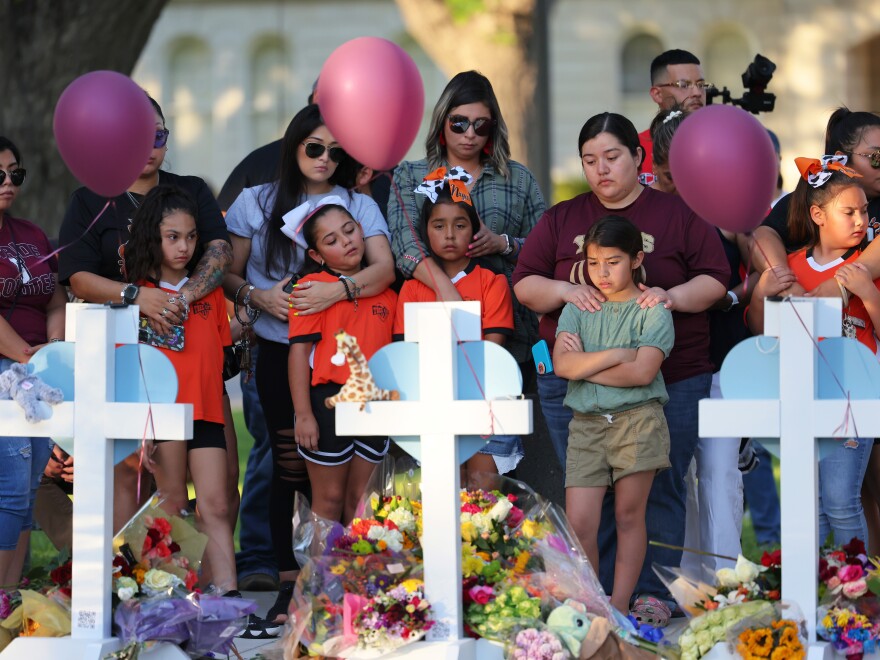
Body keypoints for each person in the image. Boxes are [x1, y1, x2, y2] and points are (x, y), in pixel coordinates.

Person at [512, 112, 728, 625]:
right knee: (589, 491)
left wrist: (669, 297)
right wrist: (567, 289)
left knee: (659, 485)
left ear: (638, 156)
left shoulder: (678, 214)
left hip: (670, 377)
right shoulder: (563, 219)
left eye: (612, 157)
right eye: (590, 160)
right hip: (573, 384)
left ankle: (651, 594)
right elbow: (524, 283)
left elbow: (718, 278)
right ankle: (601, 595)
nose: (601, 169)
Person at [223, 104, 395, 625]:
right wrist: (258, 297)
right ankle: (290, 585)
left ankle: (348, 582)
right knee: (287, 463)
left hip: (349, 357)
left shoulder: (357, 204)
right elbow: (228, 275)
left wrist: (335, 291)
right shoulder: (257, 200)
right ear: (293, 146)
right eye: (313, 147)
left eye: (335, 150)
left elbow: (384, 269)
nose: (324, 159)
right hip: (282, 348)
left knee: (351, 476)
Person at [57, 94, 234, 533]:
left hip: (195, 356)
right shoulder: (90, 200)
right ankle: (128, 586)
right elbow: (77, 276)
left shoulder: (189, 189)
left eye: (158, 134)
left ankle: (212, 594)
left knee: (222, 484)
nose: (149, 145)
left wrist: (183, 297)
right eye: (136, 136)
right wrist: (137, 295)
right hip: (129, 362)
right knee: (133, 480)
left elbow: (219, 249)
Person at [748, 156, 875, 545]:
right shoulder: (789, 266)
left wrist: (867, 293)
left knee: (841, 500)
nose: (861, 222)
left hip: (853, 399)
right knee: (810, 506)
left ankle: (858, 596)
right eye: (849, 212)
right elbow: (761, 332)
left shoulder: (866, 266)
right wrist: (759, 295)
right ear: (817, 215)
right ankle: (817, 596)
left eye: (865, 212)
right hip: (801, 398)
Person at [553, 215, 674, 614]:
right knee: (581, 523)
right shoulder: (579, 306)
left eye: (613, 262)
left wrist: (586, 364)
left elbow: (643, 372)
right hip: (586, 426)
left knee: (627, 515)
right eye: (593, 263)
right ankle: (591, 603)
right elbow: (562, 367)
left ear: (637, 258)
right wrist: (615, 355)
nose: (601, 273)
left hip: (637, 421)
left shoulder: (651, 309)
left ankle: (619, 605)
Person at [388, 70, 544, 375]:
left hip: (509, 331)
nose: (469, 133)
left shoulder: (518, 178)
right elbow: (404, 243)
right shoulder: (410, 175)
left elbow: (546, 251)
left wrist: (503, 244)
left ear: (493, 129)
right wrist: (448, 291)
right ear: (442, 123)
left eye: (480, 125)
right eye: (459, 123)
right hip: (428, 327)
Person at [123, 185, 236, 595]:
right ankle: (167, 596)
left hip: (206, 411)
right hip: (163, 415)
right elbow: (129, 366)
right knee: (171, 501)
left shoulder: (209, 291)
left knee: (217, 504)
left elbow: (217, 351)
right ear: (152, 237)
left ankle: (228, 597)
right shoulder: (138, 295)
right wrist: (142, 427)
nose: (185, 246)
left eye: (191, 236)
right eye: (173, 237)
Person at [392, 168, 518, 475]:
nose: (449, 235)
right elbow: (406, 353)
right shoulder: (412, 287)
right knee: (441, 495)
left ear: (474, 229)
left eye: (460, 225)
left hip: (485, 400)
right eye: (439, 225)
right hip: (432, 401)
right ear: (426, 231)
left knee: (482, 501)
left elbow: (492, 349)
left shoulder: (492, 281)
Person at [288, 199, 396, 523]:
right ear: (316, 256)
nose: (346, 241)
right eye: (331, 240)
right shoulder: (309, 290)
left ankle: (357, 573)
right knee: (330, 498)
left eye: (349, 231)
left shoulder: (387, 291)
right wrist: (304, 414)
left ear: (363, 231)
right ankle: (322, 574)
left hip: (375, 403)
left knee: (363, 501)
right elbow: (297, 355)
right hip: (327, 402)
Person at [0, 136, 67, 587]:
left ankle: (10, 600)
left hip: (39, 371)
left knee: (26, 487)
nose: (8, 182)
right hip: (9, 368)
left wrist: (55, 346)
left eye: (15, 174)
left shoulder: (31, 233)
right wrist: (26, 357)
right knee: (9, 484)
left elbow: (55, 295)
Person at [639, 50, 711, 182]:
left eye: (701, 85)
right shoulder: (634, 150)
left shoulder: (719, 143)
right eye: (684, 85)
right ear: (657, 94)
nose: (697, 92)